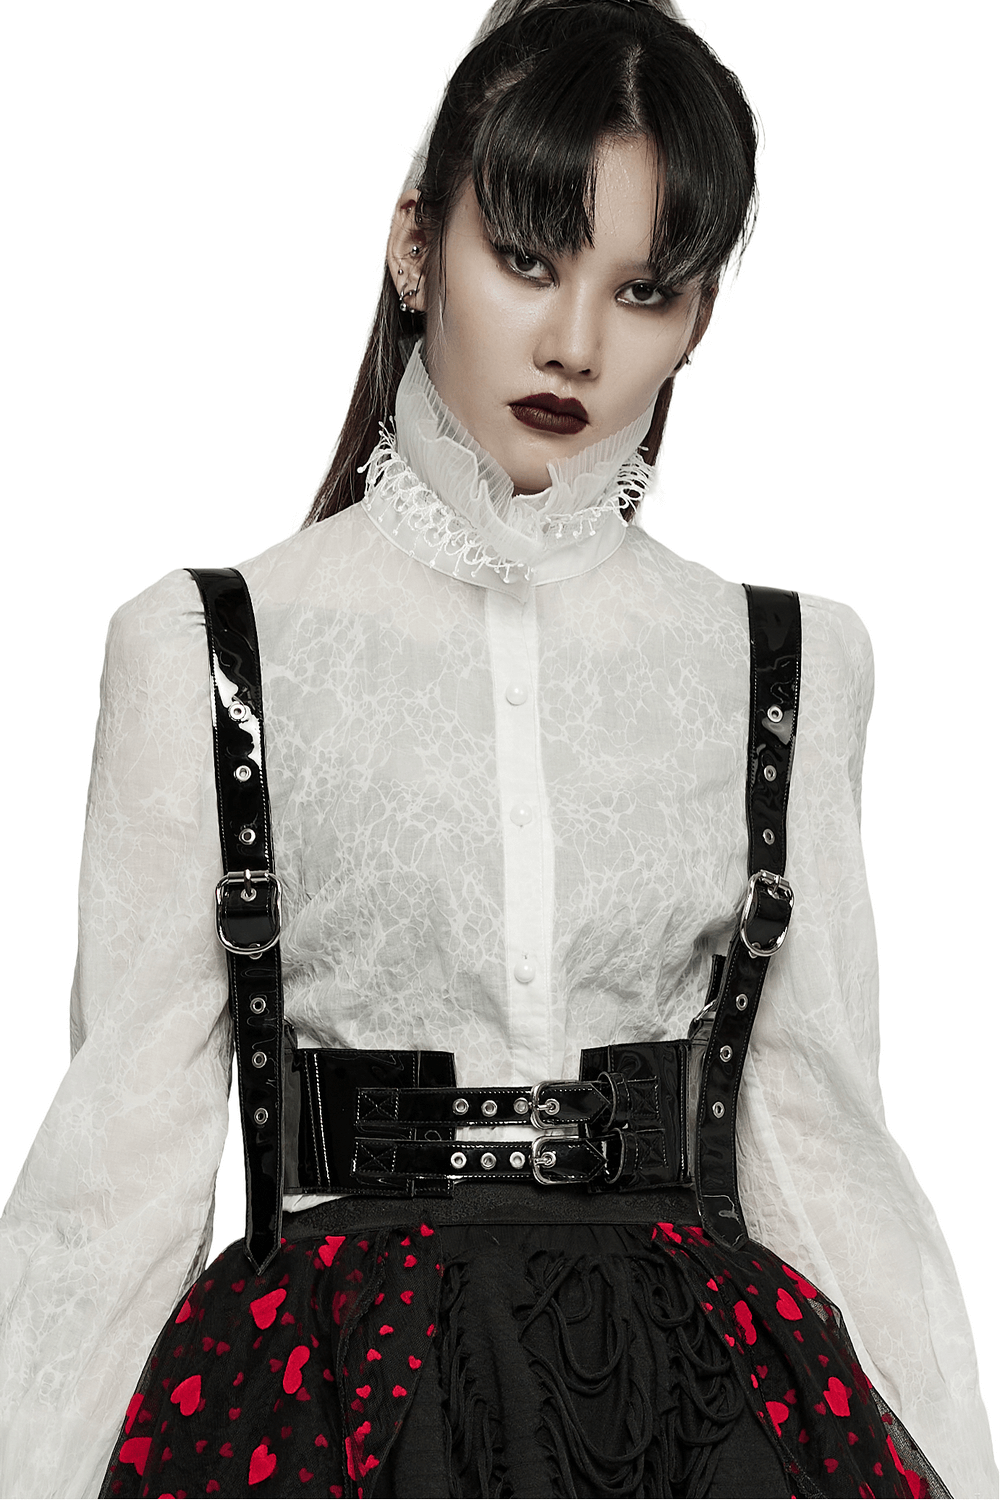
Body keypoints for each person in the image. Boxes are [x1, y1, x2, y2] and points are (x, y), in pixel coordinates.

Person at [0, 0, 994, 1496]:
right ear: (416, 247)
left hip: (698, 1419)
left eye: (644, 290)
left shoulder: (790, 666)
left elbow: (822, 1146)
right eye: (527, 259)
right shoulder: (205, 651)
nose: (576, 343)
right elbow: (117, 1173)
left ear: (699, 319)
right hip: (335, 1409)